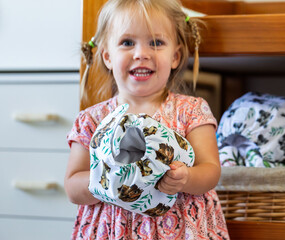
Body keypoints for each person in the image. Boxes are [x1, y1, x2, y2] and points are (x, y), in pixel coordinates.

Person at [64, 0, 229, 239]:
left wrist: (186, 178)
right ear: (108, 56)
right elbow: (72, 186)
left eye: (156, 42)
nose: (141, 54)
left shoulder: (191, 110)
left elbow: (211, 171)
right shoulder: (92, 120)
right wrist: (106, 179)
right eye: (127, 43)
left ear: (175, 56)